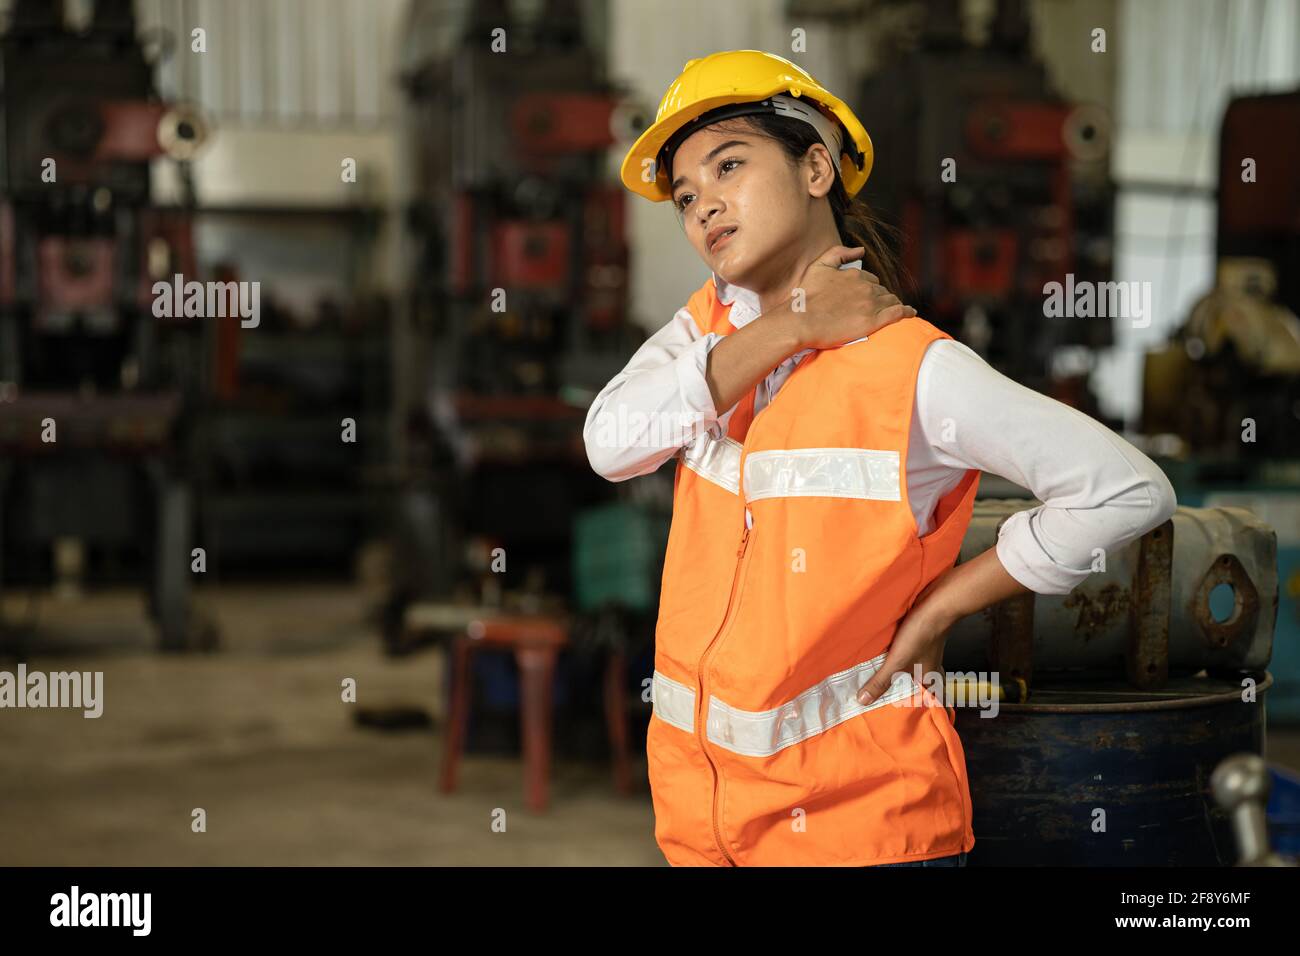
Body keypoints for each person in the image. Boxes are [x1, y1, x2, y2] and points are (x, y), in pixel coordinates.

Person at [584, 50, 1177, 867]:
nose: (704, 206)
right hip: (706, 831)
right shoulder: (705, 335)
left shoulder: (913, 368)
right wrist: (792, 324)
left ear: (817, 166)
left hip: (864, 833)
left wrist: (941, 608)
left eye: (730, 165)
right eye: (685, 196)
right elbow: (609, 443)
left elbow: (1126, 489)